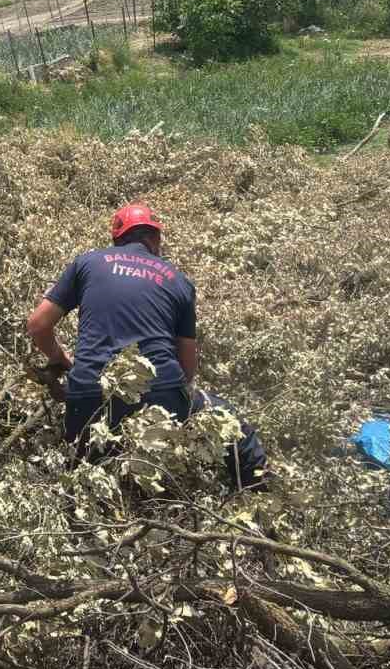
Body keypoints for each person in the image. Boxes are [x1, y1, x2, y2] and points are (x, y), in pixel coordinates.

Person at [25, 202, 266, 487]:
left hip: (87, 397)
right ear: (155, 239)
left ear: (116, 239)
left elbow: (38, 325)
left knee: (84, 474)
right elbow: (187, 370)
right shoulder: (179, 281)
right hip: (160, 396)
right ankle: (257, 495)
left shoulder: (87, 262)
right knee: (233, 426)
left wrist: (61, 359)